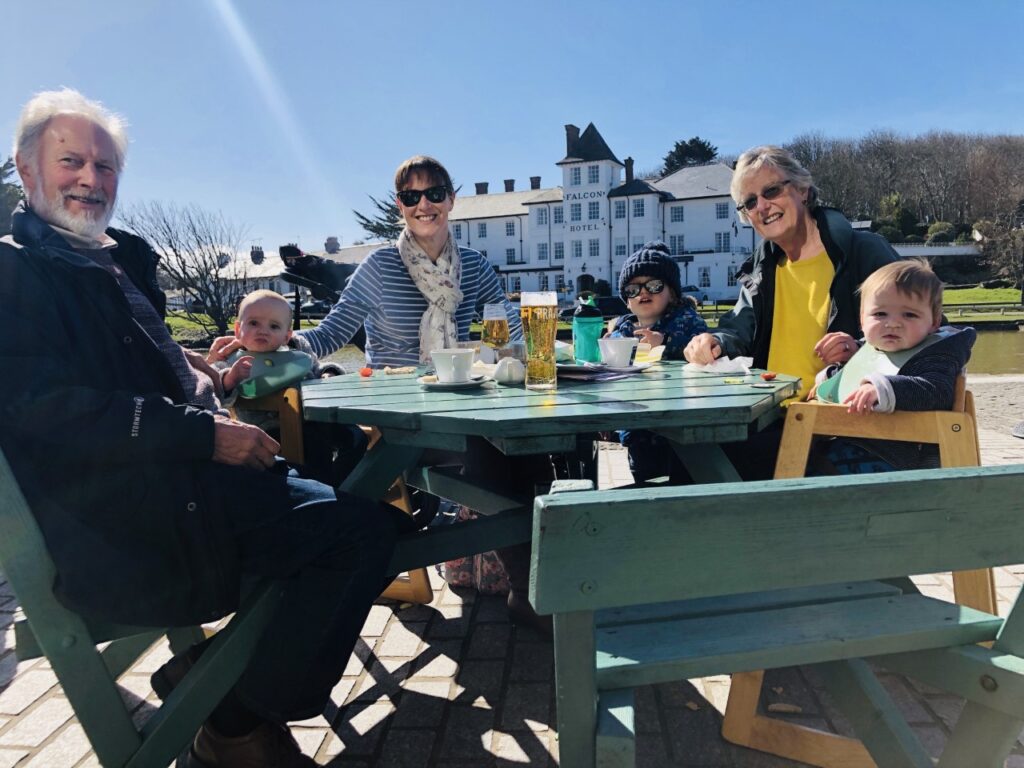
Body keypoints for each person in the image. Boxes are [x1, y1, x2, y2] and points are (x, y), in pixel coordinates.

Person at [0, 88, 403, 767]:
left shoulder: (105, 256)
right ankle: (233, 715)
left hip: (174, 485)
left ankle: (218, 682)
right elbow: (42, 408)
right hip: (125, 522)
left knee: (342, 487)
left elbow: (121, 356)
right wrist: (205, 433)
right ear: (26, 166)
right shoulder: (14, 268)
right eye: (72, 160)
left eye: (105, 167)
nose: (91, 180)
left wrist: (205, 370)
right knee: (362, 538)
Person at [683, 145, 898, 479]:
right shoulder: (761, 271)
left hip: (840, 424)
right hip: (771, 419)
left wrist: (860, 352)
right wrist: (713, 342)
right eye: (750, 202)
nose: (762, 206)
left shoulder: (863, 252)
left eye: (771, 190)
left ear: (803, 190)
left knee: (697, 460)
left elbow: (928, 331)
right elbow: (737, 331)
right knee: (684, 448)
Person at [811, 259, 976, 472]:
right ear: (862, 320)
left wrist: (880, 389)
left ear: (934, 322)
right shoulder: (868, 351)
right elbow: (852, 378)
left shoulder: (936, 354)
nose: (893, 323)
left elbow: (937, 390)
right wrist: (830, 379)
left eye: (909, 314)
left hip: (896, 457)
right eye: (880, 314)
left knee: (806, 467)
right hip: (851, 440)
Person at [212, 289, 367, 484]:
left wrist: (329, 374)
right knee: (315, 451)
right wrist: (230, 378)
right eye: (253, 323)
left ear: (286, 336)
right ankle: (325, 495)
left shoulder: (297, 347)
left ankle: (345, 487)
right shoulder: (229, 359)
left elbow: (317, 367)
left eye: (274, 326)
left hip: (316, 418)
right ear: (237, 330)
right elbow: (213, 389)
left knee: (357, 438)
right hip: (268, 431)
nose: (263, 330)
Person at [609, 241, 707, 482]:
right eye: (633, 289)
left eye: (653, 286)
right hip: (636, 424)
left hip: (680, 419)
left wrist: (665, 343)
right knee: (645, 477)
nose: (643, 293)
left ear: (671, 292)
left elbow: (702, 347)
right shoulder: (623, 327)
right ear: (626, 299)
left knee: (684, 476)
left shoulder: (685, 319)